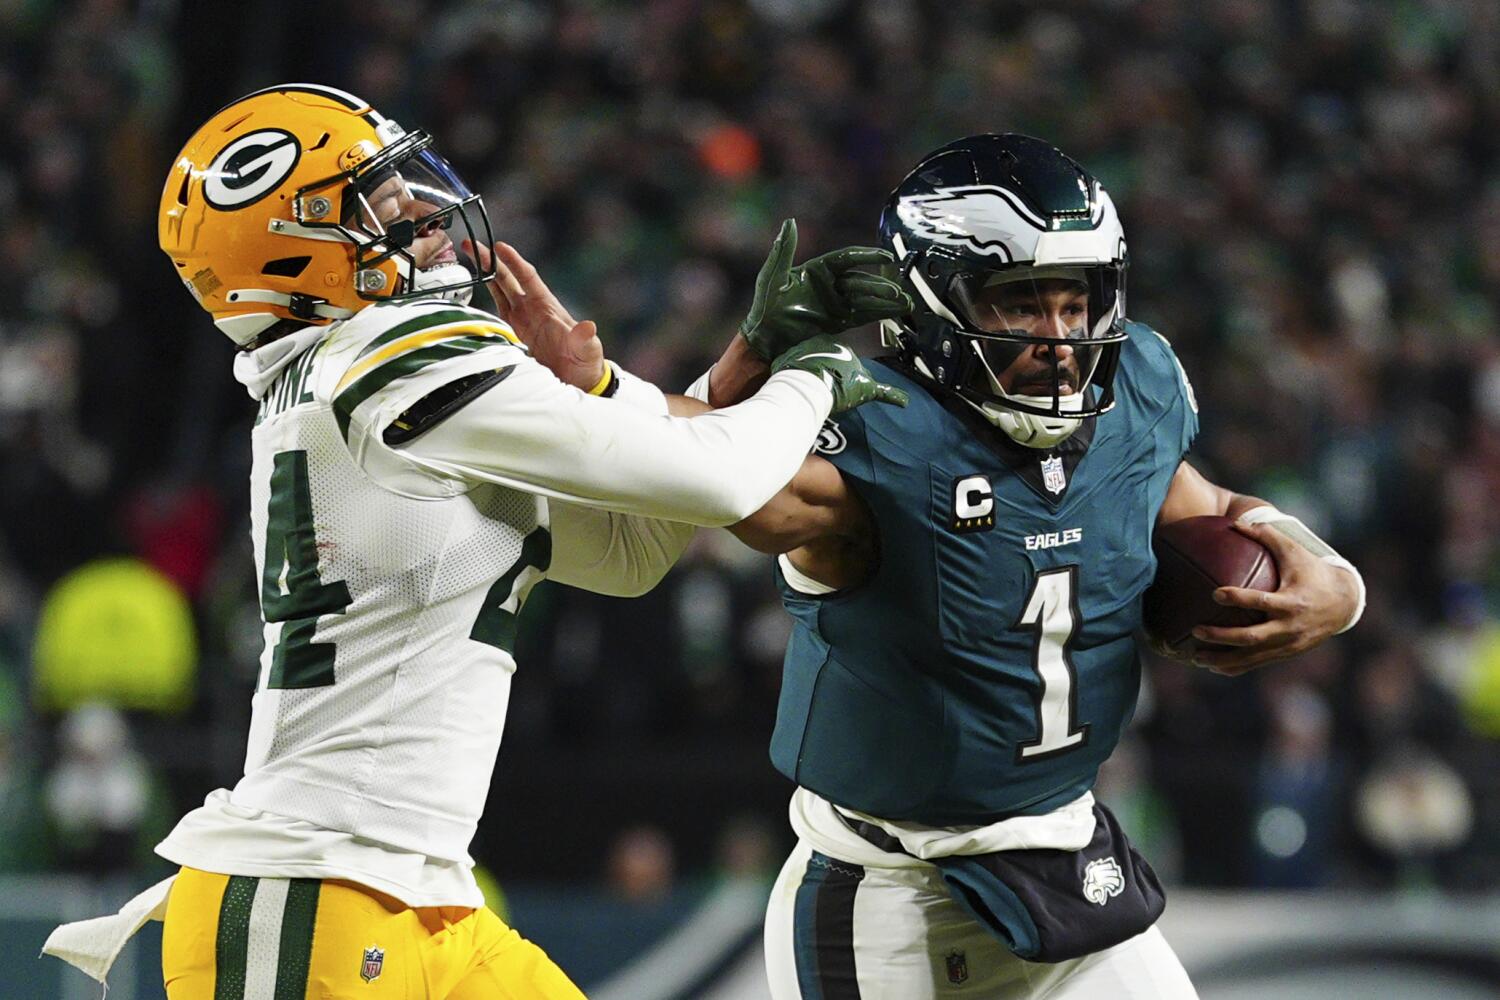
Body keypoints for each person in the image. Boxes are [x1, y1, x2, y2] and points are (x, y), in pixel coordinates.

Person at [43, 83, 911, 998]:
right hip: (313, 893)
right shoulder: (391, 353)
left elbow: (633, 552)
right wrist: (814, 379)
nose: (418, 210)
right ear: (294, 255)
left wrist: (705, 372)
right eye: (375, 202)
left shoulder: (352, 378)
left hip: (418, 895)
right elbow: (722, 480)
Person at [699, 134, 1367, 998]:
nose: (1059, 339)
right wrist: (746, 362)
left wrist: (1336, 583)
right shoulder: (877, 432)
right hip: (894, 899)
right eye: (1020, 304)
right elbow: (702, 480)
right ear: (934, 305)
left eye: (1074, 301)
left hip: (1069, 857)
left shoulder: (1132, 400)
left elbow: (1218, 511)